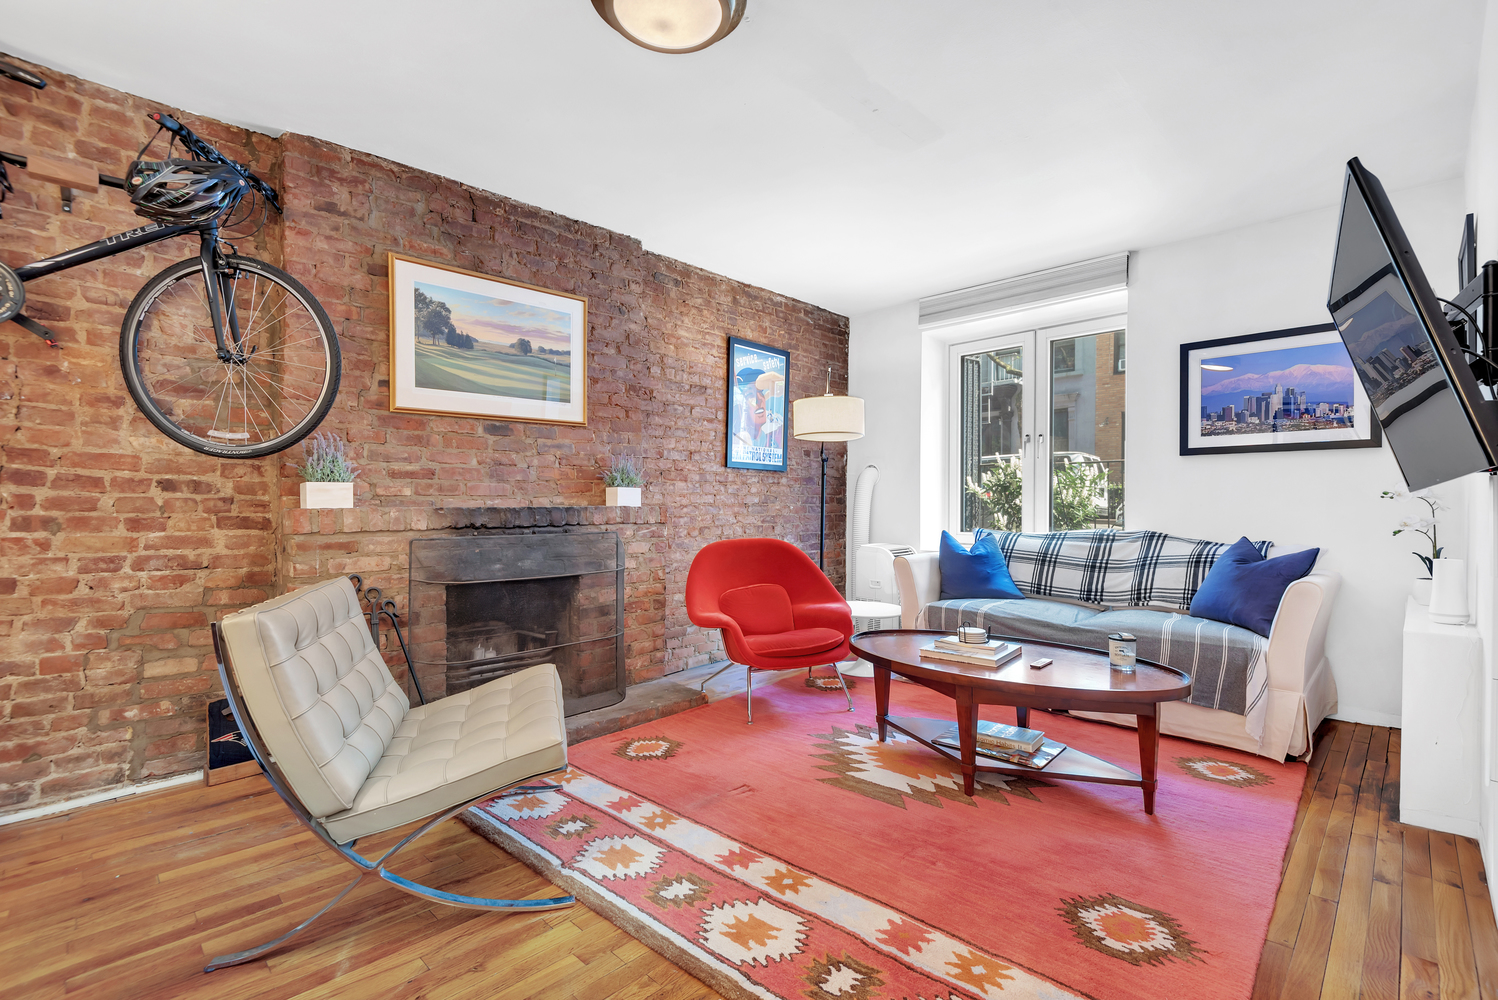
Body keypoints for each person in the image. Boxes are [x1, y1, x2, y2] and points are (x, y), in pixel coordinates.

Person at [732, 366, 784, 460]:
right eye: (750, 394)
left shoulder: (776, 431)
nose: (759, 399)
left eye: (761, 392)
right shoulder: (737, 440)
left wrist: (781, 381)